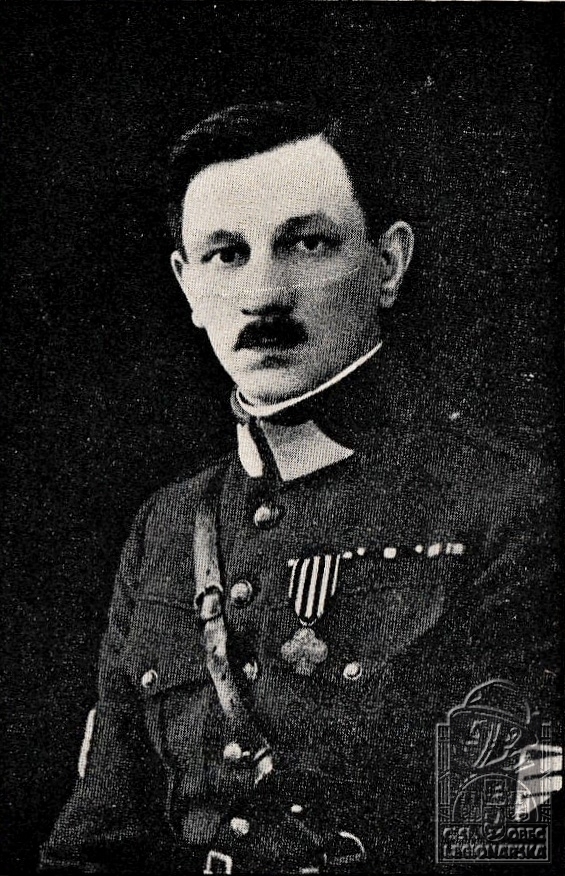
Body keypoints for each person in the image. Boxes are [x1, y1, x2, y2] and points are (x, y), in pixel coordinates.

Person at [40, 102, 561, 874]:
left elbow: (500, 845)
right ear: (187, 286)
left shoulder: (503, 508)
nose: (263, 294)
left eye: (306, 243)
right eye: (226, 254)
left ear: (388, 264)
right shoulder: (166, 526)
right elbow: (97, 840)